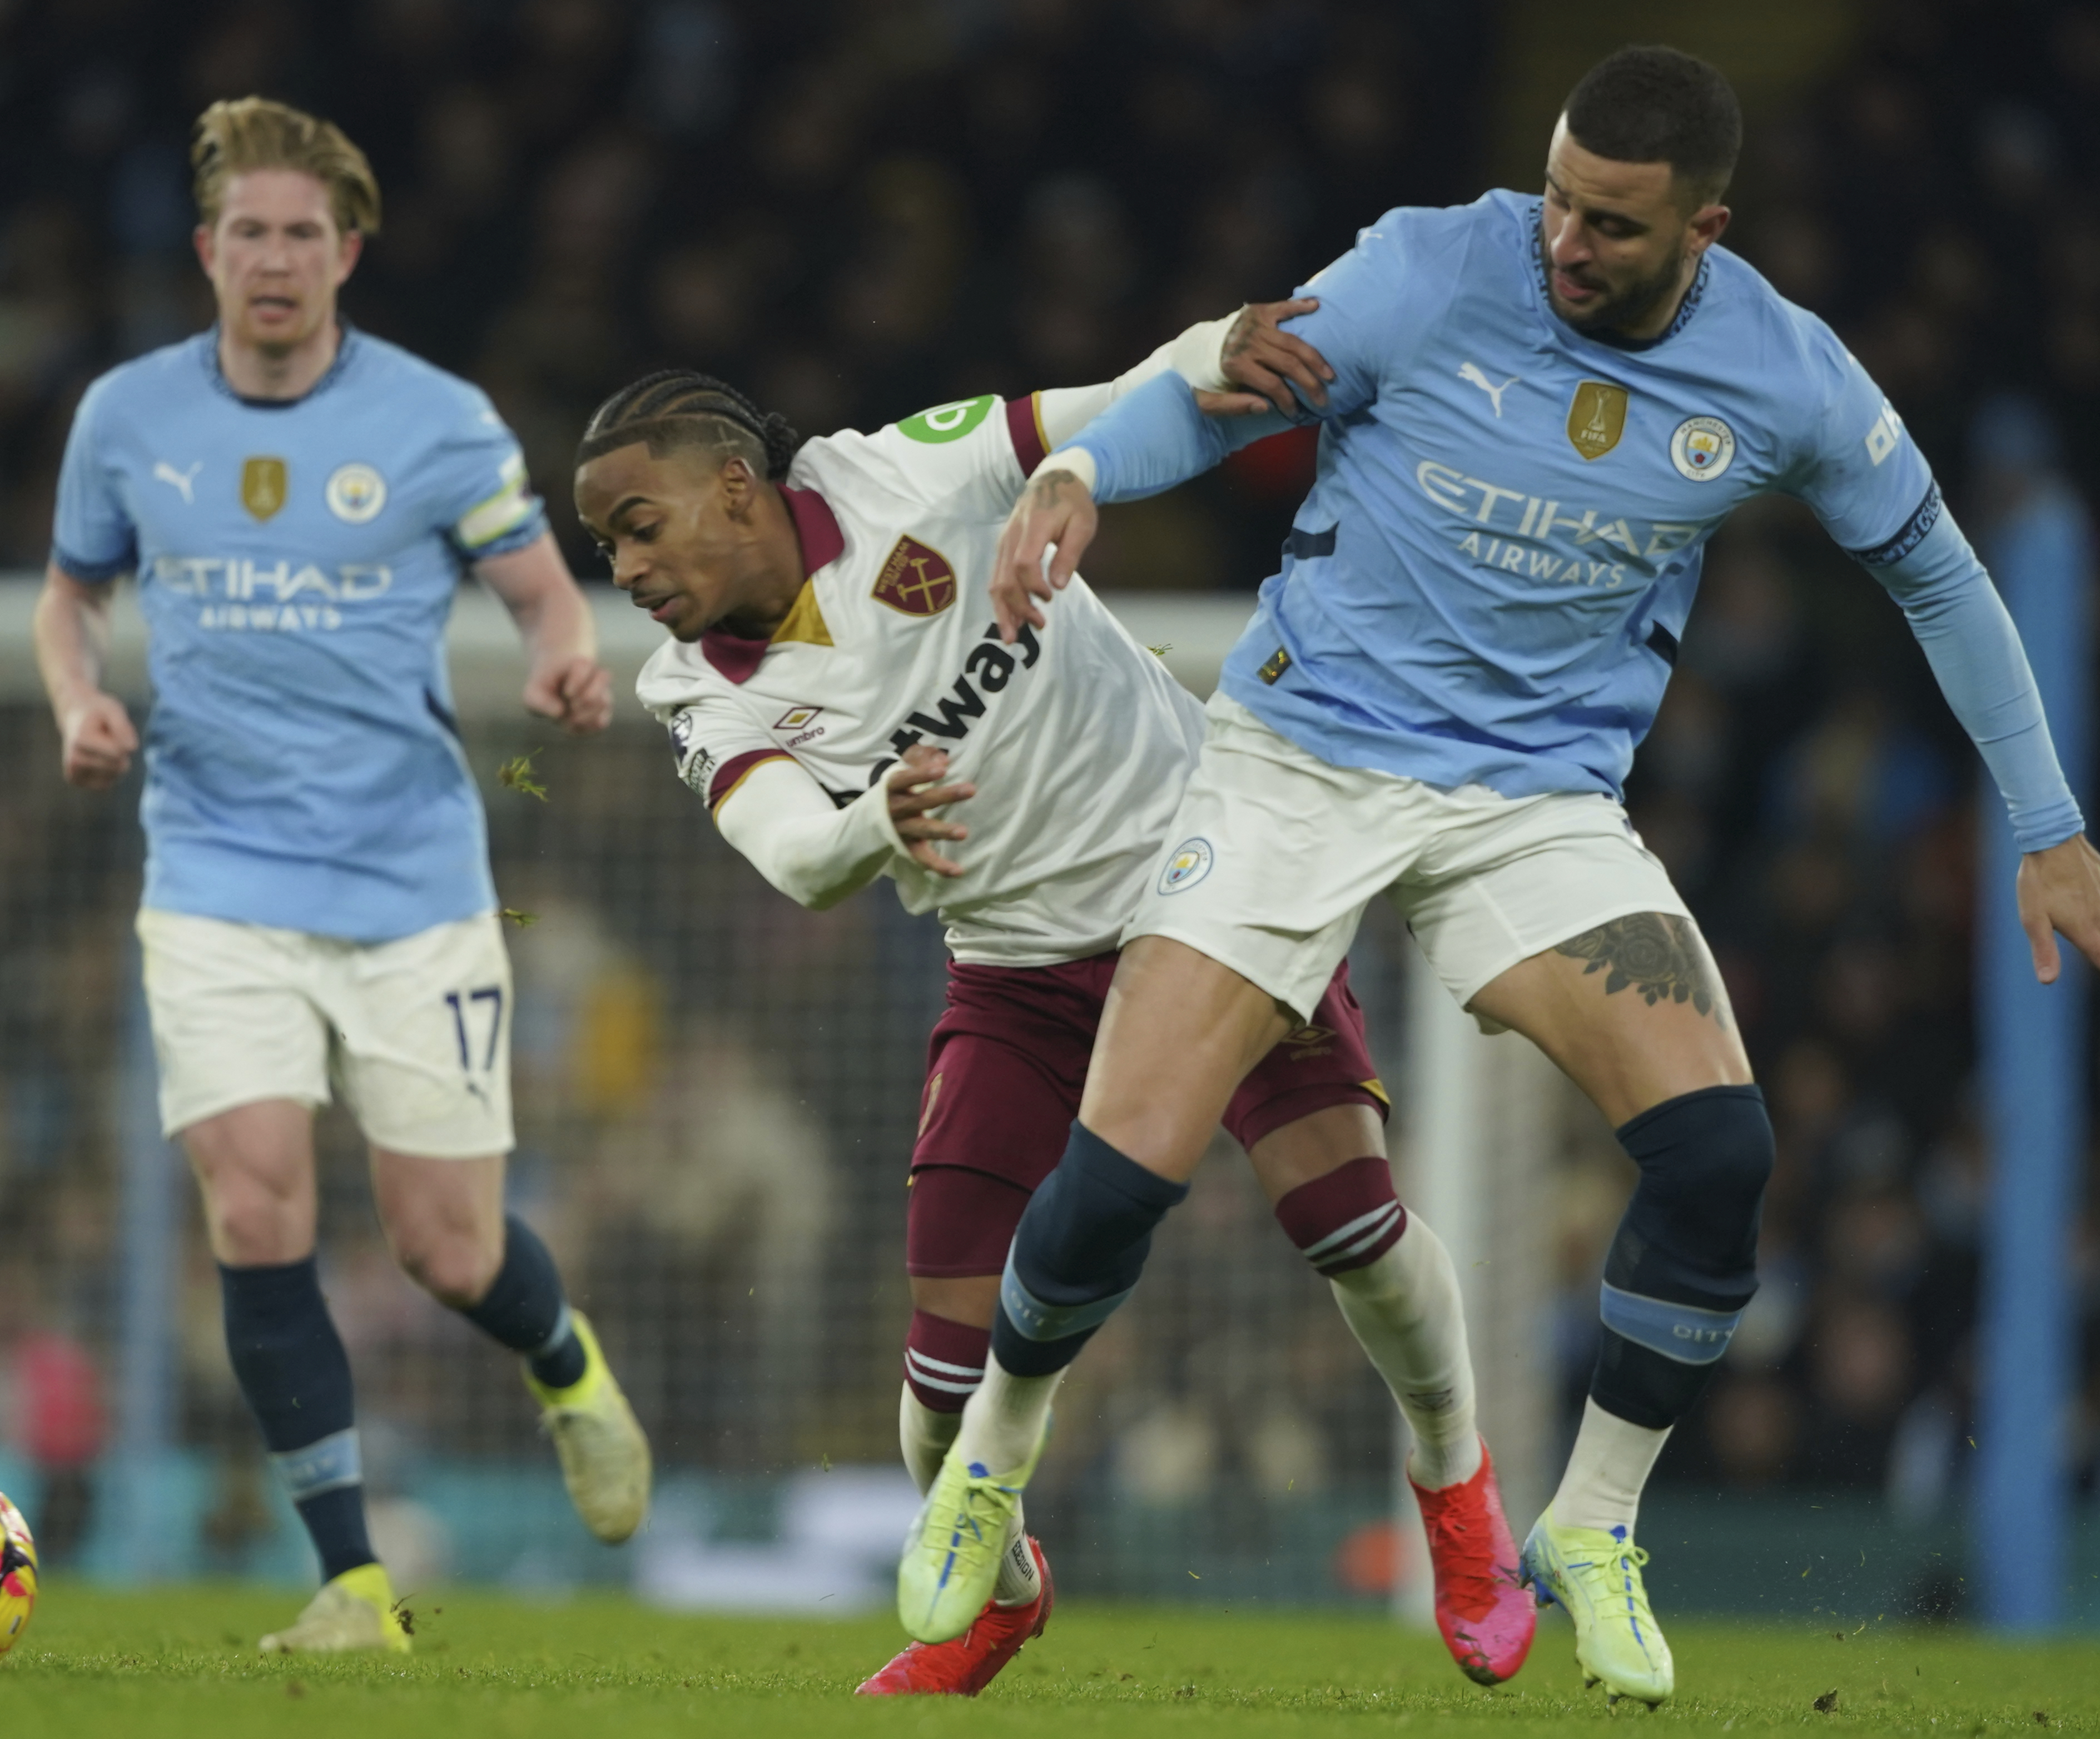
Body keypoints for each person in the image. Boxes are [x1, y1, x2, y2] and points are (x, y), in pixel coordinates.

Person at [911, 44, 2100, 1706]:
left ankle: (1588, 1524)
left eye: (1610, 227)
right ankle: (994, 1453)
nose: (1565, 244)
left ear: (1703, 228)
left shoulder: (1784, 375)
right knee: (1124, 1171)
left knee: (1719, 1153)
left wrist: (2047, 823)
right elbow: (1216, 391)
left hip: (1532, 803)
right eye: (1561, 202)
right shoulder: (1431, 265)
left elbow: (1936, 574)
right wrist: (1077, 473)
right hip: (1301, 763)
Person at [578, 319, 1533, 1694]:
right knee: (935, 1398)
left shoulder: (899, 474)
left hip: (1211, 895)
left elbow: (1119, 397)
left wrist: (1226, 339)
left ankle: (1457, 1494)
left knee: (1353, 1230)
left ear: (736, 485)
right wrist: (875, 828)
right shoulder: (694, 688)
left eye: (640, 524)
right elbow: (795, 856)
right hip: (1017, 971)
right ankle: (1008, 1595)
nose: (628, 568)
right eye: (609, 545)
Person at [32, 96, 646, 1654]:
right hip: (215, 881)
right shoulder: (127, 417)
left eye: (304, 234)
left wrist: (565, 665)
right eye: (250, 232)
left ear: (348, 252)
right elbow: (69, 599)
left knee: (447, 1248)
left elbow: (540, 596)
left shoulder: (437, 420)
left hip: (412, 890)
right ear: (207, 251)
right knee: (252, 1207)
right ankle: (352, 1583)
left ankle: (563, 1359)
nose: (276, 259)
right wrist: (79, 700)